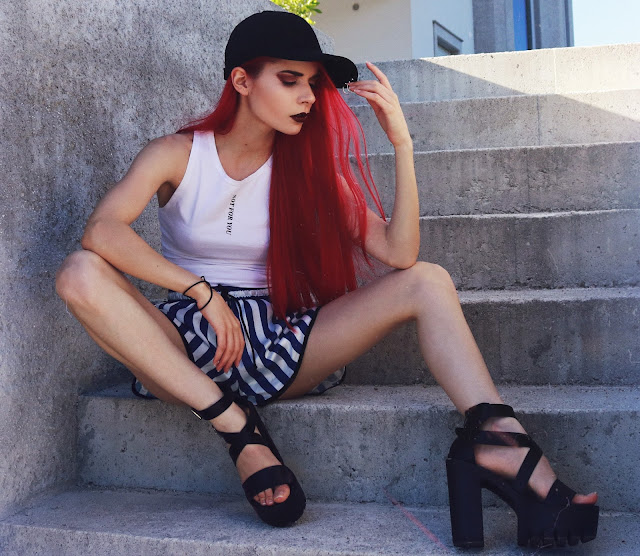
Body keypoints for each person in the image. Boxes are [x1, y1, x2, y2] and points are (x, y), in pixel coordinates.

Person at [55, 10, 599, 547]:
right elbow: (102, 231)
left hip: (280, 341)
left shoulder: (309, 168)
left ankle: (499, 440)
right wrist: (200, 292)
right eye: (290, 80)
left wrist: (402, 145)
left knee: (428, 280)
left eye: (313, 84)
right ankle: (237, 427)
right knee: (80, 272)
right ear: (241, 81)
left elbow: (399, 253)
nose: (308, 97)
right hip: (185, 344)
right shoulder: (177, 153)